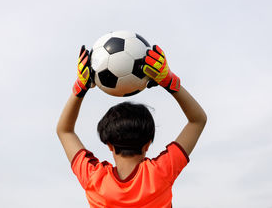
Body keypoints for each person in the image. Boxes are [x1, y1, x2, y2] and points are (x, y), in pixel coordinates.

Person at [56, 44, 207, 208]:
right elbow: (197, 120)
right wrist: (169, 81)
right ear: (148, 144)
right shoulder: (160, 174)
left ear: (110, 146)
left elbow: (64, 131)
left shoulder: (95, 179)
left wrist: (80, 88)